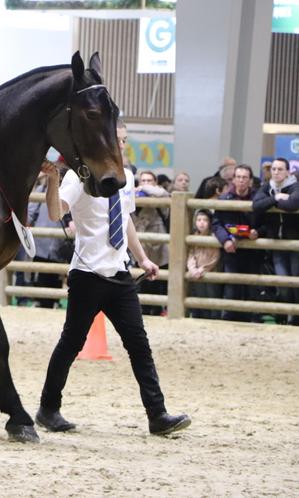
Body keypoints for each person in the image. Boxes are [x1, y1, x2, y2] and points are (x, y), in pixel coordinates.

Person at [35, 159, 191, 436]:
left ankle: (157, 415)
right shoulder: (79, 177)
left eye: (122, 139)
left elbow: (125, 217)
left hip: (120, 274)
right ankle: (48, 409)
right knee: (71, 343)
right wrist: (52, 181)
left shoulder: (126, 177)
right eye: (117, 139)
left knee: (139, 345)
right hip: (87, 274)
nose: (119, 145)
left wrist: (142, 259)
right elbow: (56, 212)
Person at [211, 164, 264, 322]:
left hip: (253, 251)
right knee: (231, 286)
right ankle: (228, 319)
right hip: (231, 250)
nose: (241, 180)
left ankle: (253, 319)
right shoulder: (223, 199)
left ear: (250, 181)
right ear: (233, 179)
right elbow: (216, 224)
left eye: (244, 177)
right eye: (238, 177)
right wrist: (225, 239)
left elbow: (267, 224)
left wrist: (258, 232)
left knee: (252, 285)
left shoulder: (259, 199)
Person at [252, 158, 299, 325]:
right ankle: (285, 315)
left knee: (295, 279)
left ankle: (296, 317)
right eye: (274, 169)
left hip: (295, 242)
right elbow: (256, 205)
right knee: (282, 281)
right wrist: (277, 198)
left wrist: (273, 201)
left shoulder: (295, 185)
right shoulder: (268, 187)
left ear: (287, 171)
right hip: (276, 242)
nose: (276, 172)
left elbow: (294, 203)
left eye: (280, 169)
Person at [27, 163, 74, 308]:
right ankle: (41, 303)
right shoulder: (41, 189)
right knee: (39, 279)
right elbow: (30, 213)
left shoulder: (69, 194)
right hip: (42, 245)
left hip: (59, 248)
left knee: (56, 280)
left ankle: (52, 303)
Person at [133, 170, 170, 316]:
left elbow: (164, 194)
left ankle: (159, 310)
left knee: (159, 282)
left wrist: (143, 189)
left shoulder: (161, 194)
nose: (146, 183)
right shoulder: (134, 195)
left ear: (155, 183)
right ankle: (142, 310)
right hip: (141, 244)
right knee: (141, 281)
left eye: (149, 181)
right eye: (143, 181)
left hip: (159, 245)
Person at [186, 210, 221, 319]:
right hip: (196, 272)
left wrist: (204, 268)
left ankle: (214, 317)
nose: (201, 223)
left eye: (205, 220)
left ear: (210, 222)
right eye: (199, 220)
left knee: (212, 294)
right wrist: (192, 269)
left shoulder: (214, 236)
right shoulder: (193, 237)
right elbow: (191, 255)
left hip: (210, 271)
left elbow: (216, 257)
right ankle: (200, 316)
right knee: (199, 293)